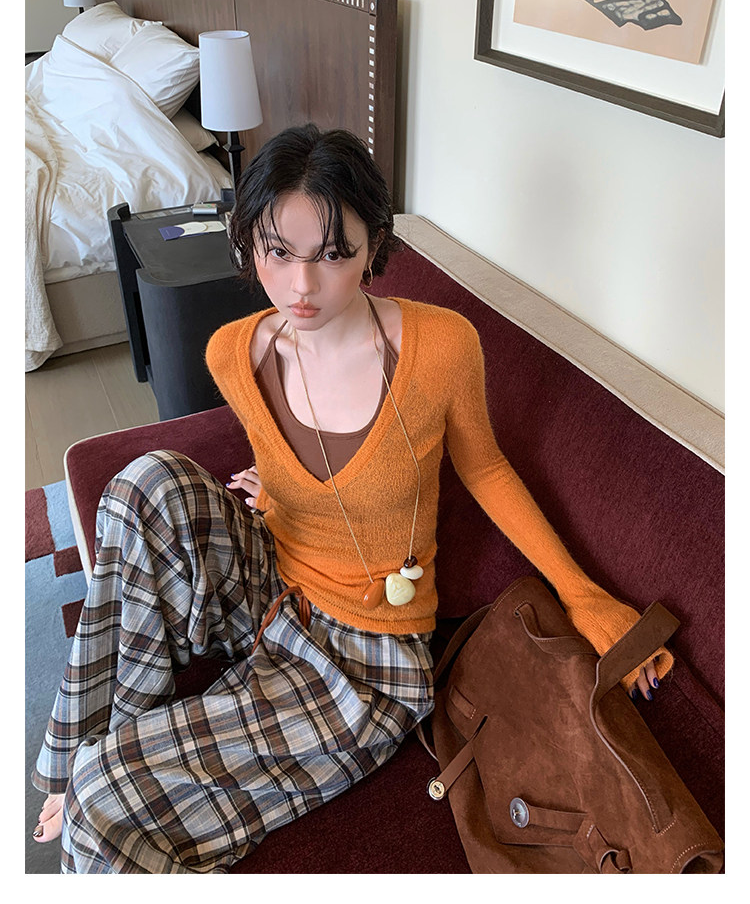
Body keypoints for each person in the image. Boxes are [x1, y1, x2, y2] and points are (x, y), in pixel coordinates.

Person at [32, 123, 671, 873]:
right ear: (247, 245)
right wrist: (279, 488)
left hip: (370, 656)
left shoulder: (441, 347)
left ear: (374, 247)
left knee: (104, 798)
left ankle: (108, 770)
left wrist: (584, 596)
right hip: (272, 584)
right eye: (278, 252)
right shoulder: (234, 352)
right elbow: (289, 452)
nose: (302, 287)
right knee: (144, 485)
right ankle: (92, 744)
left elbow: (489, 470)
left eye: (333, 254)